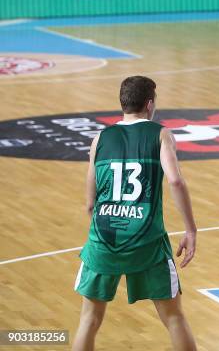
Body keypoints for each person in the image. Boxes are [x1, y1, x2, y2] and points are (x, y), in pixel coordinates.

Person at [72, 76, 197, 351]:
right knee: (174, 318)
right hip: (147, 241)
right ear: (149, 104)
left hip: (103, 238)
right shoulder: (160, 134)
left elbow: (90, 203)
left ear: (123, 103)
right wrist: (191, 230)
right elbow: (175, 181)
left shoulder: (100, 139)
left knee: (89, 320)